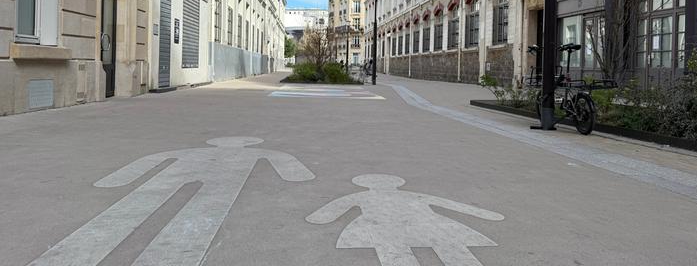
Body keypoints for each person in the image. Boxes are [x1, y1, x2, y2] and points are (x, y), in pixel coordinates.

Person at [28, 137, 315, 266]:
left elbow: (150, 162)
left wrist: (118, 179)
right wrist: (296, 173)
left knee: (123, 215)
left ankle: (80, 251)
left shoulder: (189, 154)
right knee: (191, 229)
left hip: (168, 184)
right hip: (217, 193)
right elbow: (293, 173)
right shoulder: (253, 154)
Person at [306, 174, 504, 266]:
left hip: (382, 228)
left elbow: (329, 213)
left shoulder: (362, 196)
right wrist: (486, 214)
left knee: (396, 252)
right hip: (429, 225)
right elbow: (447, 204)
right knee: (449, 246)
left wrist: (320, 217)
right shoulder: (412, 196)